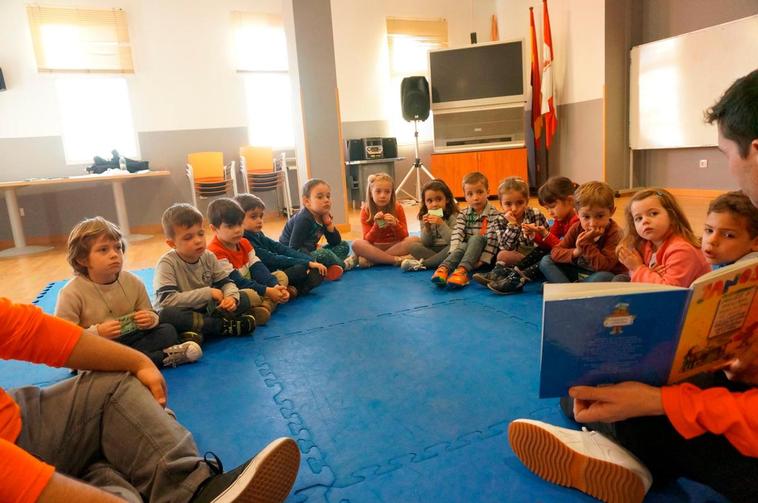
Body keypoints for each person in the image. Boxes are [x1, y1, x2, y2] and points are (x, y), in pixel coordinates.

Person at [509, 70, 758, 503]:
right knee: (608, 392)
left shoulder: (673, 250)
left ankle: (623, 450)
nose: (731, 171)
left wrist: (663, 403)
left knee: (596, 401)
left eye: (725, 154)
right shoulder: (642, 244)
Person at [0, 297, 300, 502]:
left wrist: (138, 361)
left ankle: (196, 492)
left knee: (115, 386)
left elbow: (27, 329)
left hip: (17, 423)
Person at [55, 217, 202, 368]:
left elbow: (150, 312)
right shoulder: (71, 293)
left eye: (117, 248)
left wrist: (150, 319)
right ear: (82, 259)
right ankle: (162, 357)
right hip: (98, 347)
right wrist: (98, 332)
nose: (114, 254)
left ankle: (124, 364)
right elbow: (64, 338)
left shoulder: (133, 281)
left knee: (168, 331)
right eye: (103, 250)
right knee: (87, 357)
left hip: (132, 340)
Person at [154, 203, 256, 343]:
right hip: (184, 312)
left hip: (207, 310)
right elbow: (167, 300)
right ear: (172, 244)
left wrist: (231, 298)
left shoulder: (208, 256)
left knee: (245, 296)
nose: (198, 240)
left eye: (200, 234)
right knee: (167, 315)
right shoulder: (167, 263)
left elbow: (226, 283)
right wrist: (207, 292)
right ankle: (221, 327)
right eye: (188, 237)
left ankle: (198, 332)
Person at [486, 176, 579, 294]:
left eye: (552, 207)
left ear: (570, 201)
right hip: (562, 258)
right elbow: (547, 244)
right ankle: (514, 275)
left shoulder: (577, 221)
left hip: (574, 263)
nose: (550, 212)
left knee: (547, 257)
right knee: (542, 251)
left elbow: (563, 249)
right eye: (547, 208)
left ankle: (517, 278)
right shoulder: (560, 220)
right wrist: (535, 235)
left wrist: (545, 234)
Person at [207, 198, 289, 325]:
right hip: (233, 293)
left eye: (240, 224)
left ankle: (264, 308)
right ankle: (267, 303)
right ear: (214, 229)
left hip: (252, 285)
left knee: (280, 276)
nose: (237, 230)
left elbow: (258, 267)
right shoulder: (215, 251)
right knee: (251, 295)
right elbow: (237, 282)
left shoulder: (244, 242)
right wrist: (267, 291)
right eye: (230, 226)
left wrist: (274, 286)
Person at [616, 188, 711, 286]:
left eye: (653, 213)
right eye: (638, 218)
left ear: (672, 216)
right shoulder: (647, 244)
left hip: (683, 299)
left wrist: (638, 268)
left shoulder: (682, 250)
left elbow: (669, 291)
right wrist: (649, 273)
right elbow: (634, 273)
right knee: (619, 279)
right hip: (659, 294)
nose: (645, 221)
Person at [235, 193, 325, 296]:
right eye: (253, 217)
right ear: (238, 219)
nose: (259, 220)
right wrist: (306, 263)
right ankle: (293, 290)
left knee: (314, 269)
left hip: (275, 271)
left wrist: (310, 261)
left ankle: (292, 290)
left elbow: (280, 247)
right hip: (266, 278)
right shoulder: (244, 240)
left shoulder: (257, 234)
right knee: (300, 268)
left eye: (261, 216)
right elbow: (272, 258)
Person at [538, 181, 625, 283]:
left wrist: (587, 243)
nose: (592, 223)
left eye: (600, 216)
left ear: (611, 212)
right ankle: (571, 289)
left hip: (597, 275)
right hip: (578, 272)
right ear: (577, 214)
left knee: (606, 277)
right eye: (586, 217)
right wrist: (576, 251)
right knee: (546, 261)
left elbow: (604, 266)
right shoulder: (577, 227)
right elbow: (555, 252)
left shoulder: (614, 233)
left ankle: (563, 288)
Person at [431, 172, 500, 288]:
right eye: (470, 194)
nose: (475, 197)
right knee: (462, 244)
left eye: (480, 192)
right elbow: (457, 232)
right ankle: (443, 269)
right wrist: (454, 251)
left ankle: (461, 271)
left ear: (488, 191)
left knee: (477, 238)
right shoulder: (464, 213)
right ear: (465, 196)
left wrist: (483, 260)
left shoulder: (495, 214)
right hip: (467, 252)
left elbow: (493, 240)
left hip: (484, 255)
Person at [473, 176, 546, 286]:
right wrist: (512, 225)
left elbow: (547, 239)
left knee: (547, 258)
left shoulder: (536, 214)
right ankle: (504, 274)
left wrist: (536, 233)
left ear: (527, 201)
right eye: (508, 204)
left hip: (536, 256)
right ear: (501, 204)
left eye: (520, 203)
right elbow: (506, 247)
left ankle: (502, 274)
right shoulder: (499, 220)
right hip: (516, 257)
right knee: (502, 255)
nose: (514, 208)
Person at [278, 178, 350, 280]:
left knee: (344, 245)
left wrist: (328, 224)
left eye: (328, 196)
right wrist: (314, 253)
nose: (326, 200)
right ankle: (346, 264)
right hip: (293, 257)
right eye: (320, 197)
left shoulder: (322, 215)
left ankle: (329, 268)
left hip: (311, 252)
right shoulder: (304, 219)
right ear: (307, 201)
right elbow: (293, 248)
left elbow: (335, 242)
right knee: (325, 254)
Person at [347, 173, 417, 267]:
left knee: (415, 240)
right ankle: (395, 260)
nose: (383, 195)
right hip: (375, 246)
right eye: (378, 191)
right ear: (371, 193)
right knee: (356, 244)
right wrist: (376, 226)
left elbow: (404, 236)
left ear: (392, 193)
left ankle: (374, 259)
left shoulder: (398, 208)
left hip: (395, 245)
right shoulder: (366, 210)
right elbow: (367, 239)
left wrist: (395, 225)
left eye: (387, 192)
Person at [401, 179, 459, 272]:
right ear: (425, 202)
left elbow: (453, 241)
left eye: (439, 199)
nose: (435, 204)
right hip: (432, 249)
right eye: (430, 201)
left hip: (448, 248)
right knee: (413, 247)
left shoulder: (453, 215)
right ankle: (444, 262)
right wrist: (427, 228)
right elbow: (426, 243)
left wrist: (441, 224)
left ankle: (424, 264)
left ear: (447, 199)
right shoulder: (424, 216)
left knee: (458, 247)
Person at [701, 191, 758, 268]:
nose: (711, 240)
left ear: (756, 243)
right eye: (709, 230)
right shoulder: (723, 260)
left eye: (729, 235)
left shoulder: (747, 270)